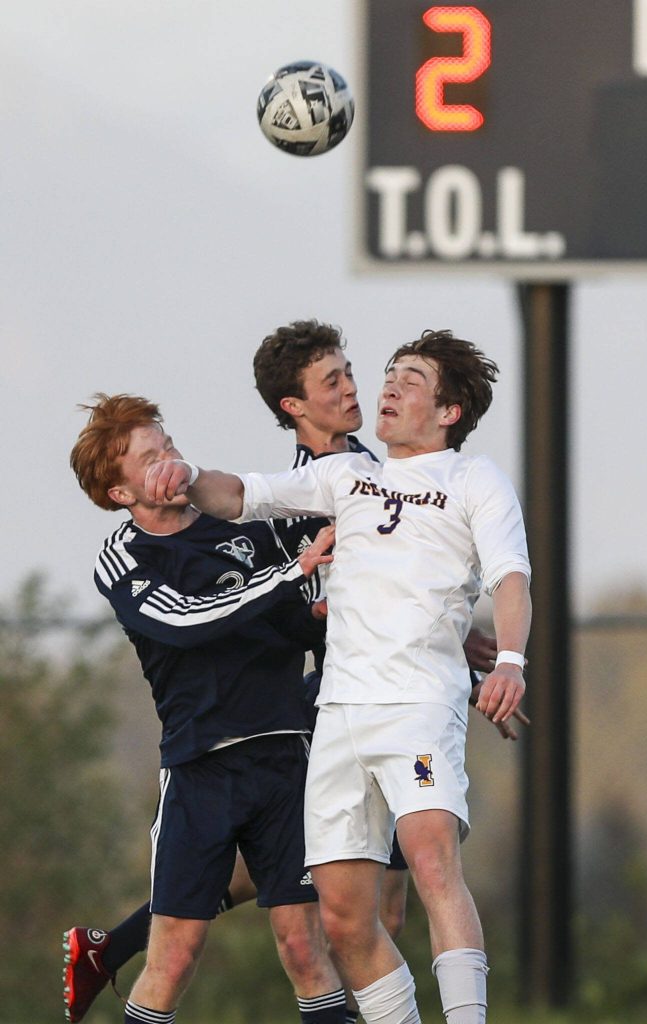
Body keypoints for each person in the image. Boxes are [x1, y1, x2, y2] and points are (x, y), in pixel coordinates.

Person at [146, 329, 532, 1024]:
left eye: (409, 379)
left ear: (447, 411)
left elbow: (509, 580)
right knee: (346, 919)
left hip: (416, 702)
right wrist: (185, 475)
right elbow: (239, 495)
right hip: (338, 718)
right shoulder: (344, 476)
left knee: (430, 858)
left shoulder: (473, 479)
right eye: (388, 374)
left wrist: (509, 662)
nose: (387, 386)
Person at [68, 394, 348, 1024]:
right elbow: (186, 622)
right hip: (202, 769)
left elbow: (293, 626)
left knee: (306, 946)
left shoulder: (243, 524)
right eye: (148, 458)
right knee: (175, 954)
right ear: (120, 493)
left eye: (167, 446)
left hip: (283, 759)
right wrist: (286, 579)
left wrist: (320, 617)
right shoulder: (124, 556)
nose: (169, 461)